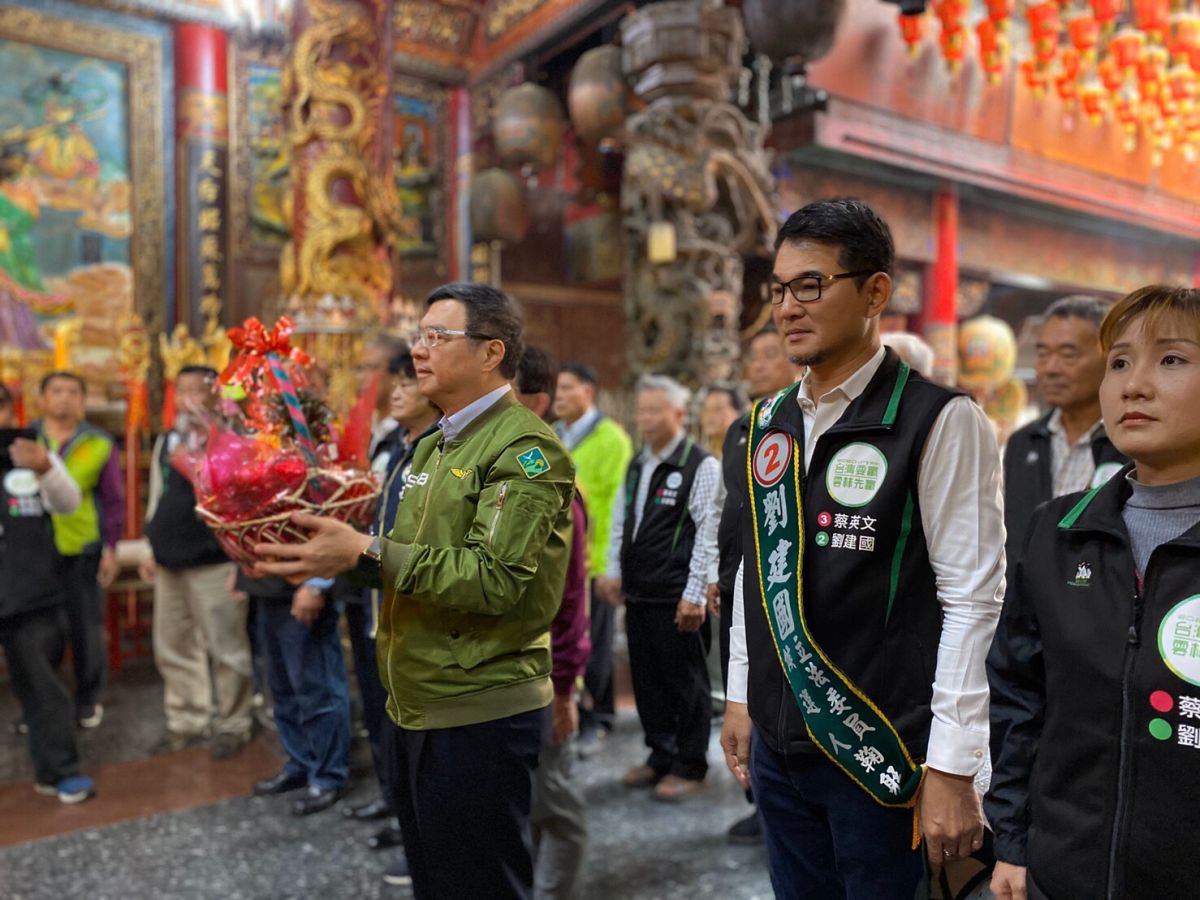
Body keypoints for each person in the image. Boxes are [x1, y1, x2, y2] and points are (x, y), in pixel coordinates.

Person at [720, 198, 1005, 898]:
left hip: (879, 752)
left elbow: (972, 598)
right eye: (779, 289)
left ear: (876, 291)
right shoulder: (764, 426)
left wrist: (952, 763)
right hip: (780, 749)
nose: (788, 307)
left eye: (811, 285)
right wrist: (738, 694)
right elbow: (759, 571)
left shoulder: (938, 419)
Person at [253, 282, 576, 899]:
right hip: (417, 699)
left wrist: (364, 550)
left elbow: (496, 580)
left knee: (481, 885)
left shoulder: (524, 448)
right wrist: (330, 556)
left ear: (490, 353)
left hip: (479, 705)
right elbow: (405, 561)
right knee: (435, 881)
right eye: (418, 335)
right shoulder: (435, 442)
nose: (419, 350)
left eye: (436, 336)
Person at [987, 285, 1200, 900]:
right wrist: (1013, 842)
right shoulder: (1057, 530)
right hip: (1062, 871)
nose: (1134, 385)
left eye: (1172, 359)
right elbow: (1020, 700)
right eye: (1121, 362)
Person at [595, 375, 720, 802]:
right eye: (641, 410)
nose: (644, 419)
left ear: (679, 414)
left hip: (675, 597)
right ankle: (660, 754)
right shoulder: (638, 463)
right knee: (648, 682)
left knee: (685, 684)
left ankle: (690, 763)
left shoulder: (699, 464)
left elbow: (709, 533)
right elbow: (620, 519)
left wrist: (694, 594)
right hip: (639, 594)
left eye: (654, 411)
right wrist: (612, 569)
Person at [704, 324, 799, 845]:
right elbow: (731, 509)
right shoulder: (743, 428)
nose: (758, 365)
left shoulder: (802, 423)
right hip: (739, 577)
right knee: (740, 690)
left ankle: (779, 797)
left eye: (770, 355)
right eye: (753, 356)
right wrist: (722, 574)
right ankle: (756, 798)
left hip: (780, 582)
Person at [140, 366, 252, 759]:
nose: (187, 399)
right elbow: (157, 494)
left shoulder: (233, 440)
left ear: (215, 396)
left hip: (213, 562)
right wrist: (149, 545)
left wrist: (242, 562)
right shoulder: (167, 439)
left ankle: (235, 721)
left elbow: (241, 506)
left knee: (227, 647)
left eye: (197, 391)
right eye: (181, 390)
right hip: (169, 559)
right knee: (174, 645)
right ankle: (187, 719)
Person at [515, 346, 591, 900]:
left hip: (541, 671)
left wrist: (564, 684)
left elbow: (569, 596)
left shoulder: (544, 470)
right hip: (504, 673)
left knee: (555, 801)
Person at [0, 385, 95, 804]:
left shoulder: (27, 449)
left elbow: (69, 503)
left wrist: (45, 469)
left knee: (43, 685)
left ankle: (58, 772)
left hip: (29, 589)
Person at [1003, 295, 1127, 575]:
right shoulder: (1024, 442)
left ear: (1111, 357)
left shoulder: (1131, 443)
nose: (1050, 368)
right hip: (1026, 607)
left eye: (1068, 354)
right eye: (1043, 354)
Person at [34, 371, 124, 728]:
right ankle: (43, 702)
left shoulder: (98, 442)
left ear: (82, 401)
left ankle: (88, 698)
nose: (64, 398)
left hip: (82, 546)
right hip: (35, 549)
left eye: (73, 392)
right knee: (40, 630)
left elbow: (113, 499)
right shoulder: (27, 438)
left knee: (85, 627)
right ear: (42, 398)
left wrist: (111, 547)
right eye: (56, 390)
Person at [553, 362, 632, 755]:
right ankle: (572, 714)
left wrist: (609, 565)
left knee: (596, 646)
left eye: (568, 388)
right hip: (558, 564)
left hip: (594, 563)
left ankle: (599, 719)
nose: (559, 395)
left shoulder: (611, 439)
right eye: (558, 389)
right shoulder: (552, 437)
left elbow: (619, 504)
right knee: (567, 645)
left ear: (589, 391)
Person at [699, 383, 746, 458]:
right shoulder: (698, 457)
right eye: (706, 409)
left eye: (718, 409)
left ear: (738, 413)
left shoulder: (747, 454)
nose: (710, 415)